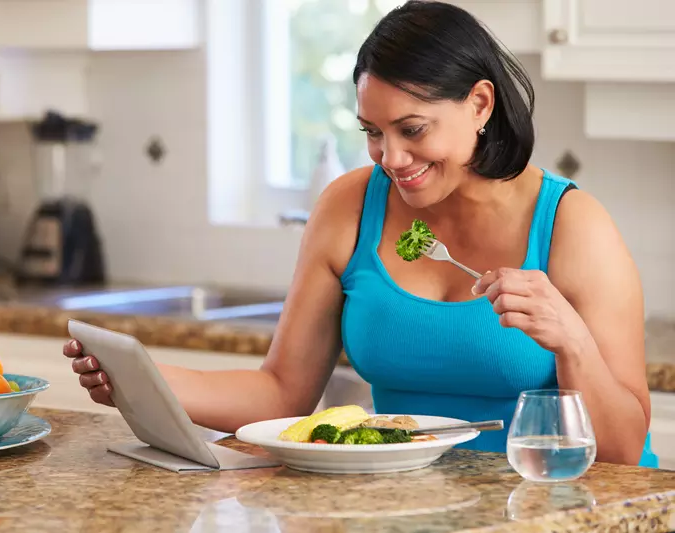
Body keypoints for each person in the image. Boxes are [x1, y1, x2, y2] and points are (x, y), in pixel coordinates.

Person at [65, 0, 657, 467]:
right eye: (373, 131)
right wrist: (139, 379)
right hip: (401, 503)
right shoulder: (350, 205)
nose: (391, 158)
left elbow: (623, 451)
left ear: (480, 104)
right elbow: (281, 393)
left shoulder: (572, 226)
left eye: (412, 129)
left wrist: (572, 341)